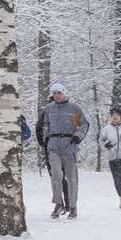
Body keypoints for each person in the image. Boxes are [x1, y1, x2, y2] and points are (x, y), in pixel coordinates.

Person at [37, 83, 89, 218]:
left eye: (59, 93)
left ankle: (72, 206)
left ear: (64, 93)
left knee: (71, 177)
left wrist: (78, 136)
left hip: (69, 143)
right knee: (56, 175)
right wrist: (46, 137)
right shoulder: (49, 108)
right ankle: (58, 204)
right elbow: (45, 124)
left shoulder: (74, 108)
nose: (57, 96)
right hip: (53, 144)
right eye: (54, 93)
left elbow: (84, 124)